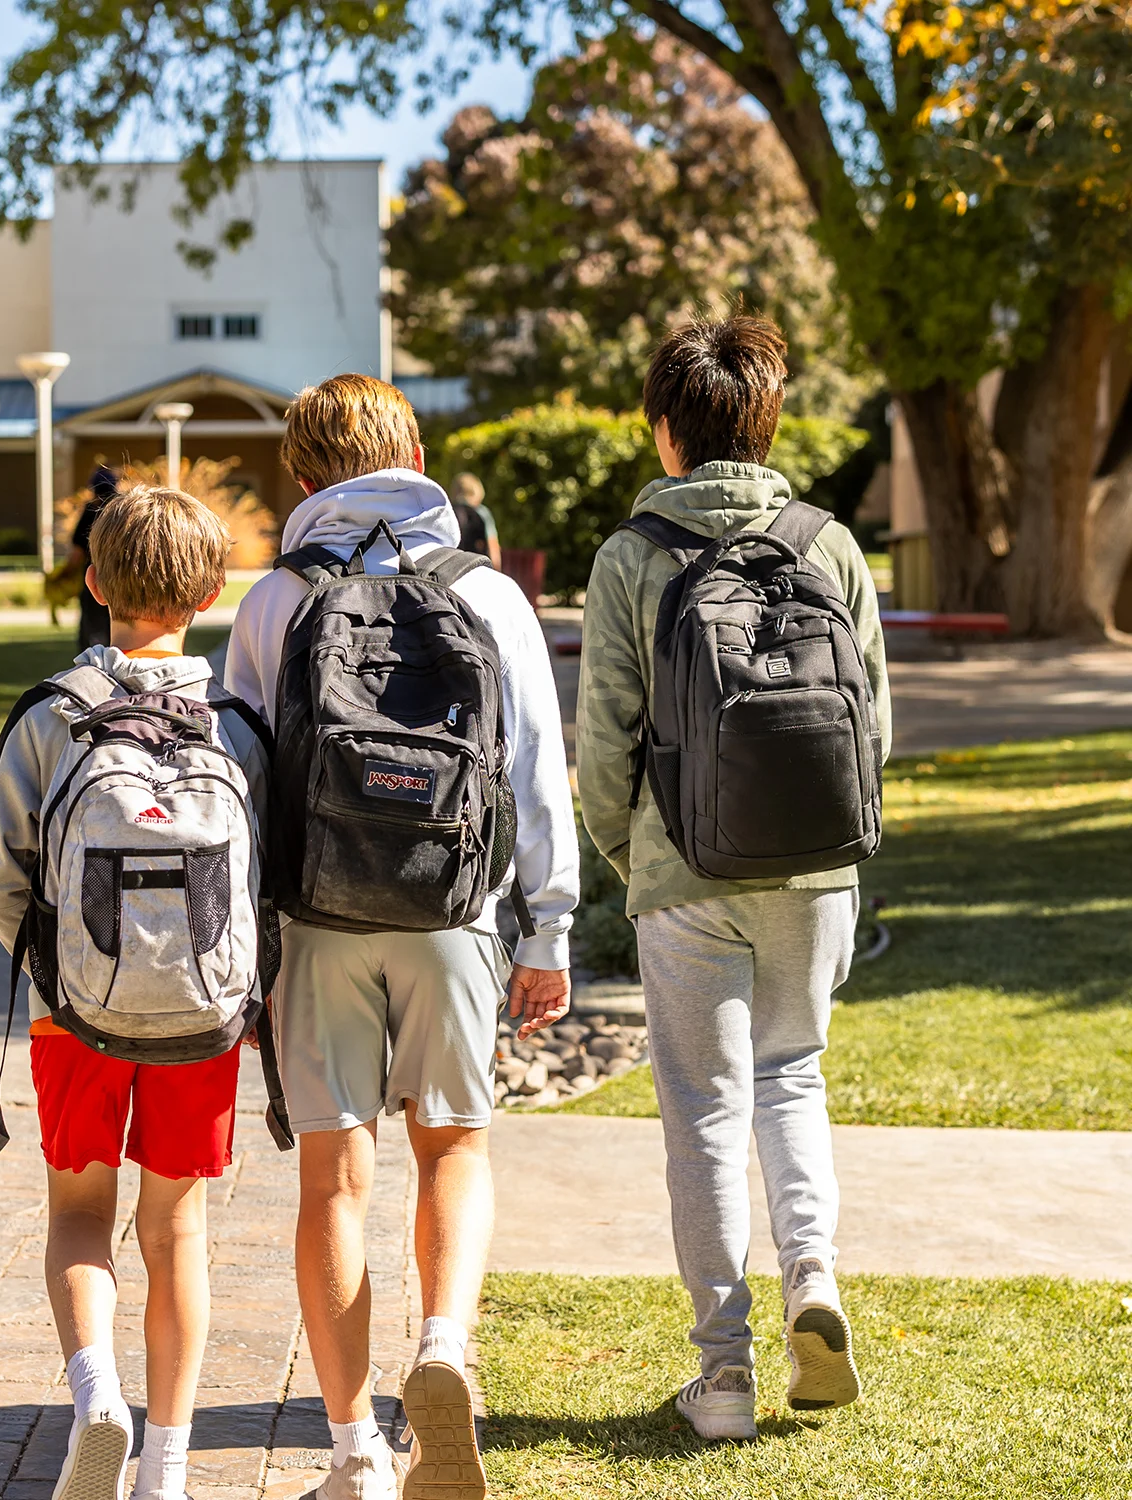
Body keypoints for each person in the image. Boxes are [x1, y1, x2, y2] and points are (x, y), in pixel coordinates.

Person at [226, 375, 579, 1500]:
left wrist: (244, 954)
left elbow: (239, 786)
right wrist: (549, 928)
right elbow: (536, 769)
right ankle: (442, 1350)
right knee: (454, 1150)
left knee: (333, 1180)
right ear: (416, 456)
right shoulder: (488, 593)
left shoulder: (275, 601)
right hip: (454, 911)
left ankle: (354, 1452)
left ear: (301, 476)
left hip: (318, 917)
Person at [576, 314, 891, 1442]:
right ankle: (815, 1276)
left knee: (705, 1112)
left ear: (666, 430)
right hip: (816, 869)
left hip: (684, 869)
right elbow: (873, 730)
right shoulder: (829, 546)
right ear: (768, 422)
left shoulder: (631, 557)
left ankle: (723, 1378)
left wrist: (636, 861)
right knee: (792, 1075)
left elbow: (604, 745)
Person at [0, 485, 268, 1500]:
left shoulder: (50, 715)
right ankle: (168, 1466)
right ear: (211, 592)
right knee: (177, 1230)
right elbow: (262, 884)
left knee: (78, 1212)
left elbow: (3, 879)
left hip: (75, 1014)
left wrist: (59, 980)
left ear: (95, 582)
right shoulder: (237, 727)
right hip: (202, 1018)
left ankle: (97, 1396)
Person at [66, 465, 117, 649]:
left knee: (92, 625)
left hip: (94, 577)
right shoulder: (123, 510)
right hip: (122, 578)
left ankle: (93, 657)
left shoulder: (91, 511)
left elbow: (78, 551)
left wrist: (65, 573)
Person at [448, 472, 501, 569]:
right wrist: (496, 571)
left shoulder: (448, 512)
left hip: (452, 568)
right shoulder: (482, 513)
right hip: (477, 567)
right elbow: (492, 547)